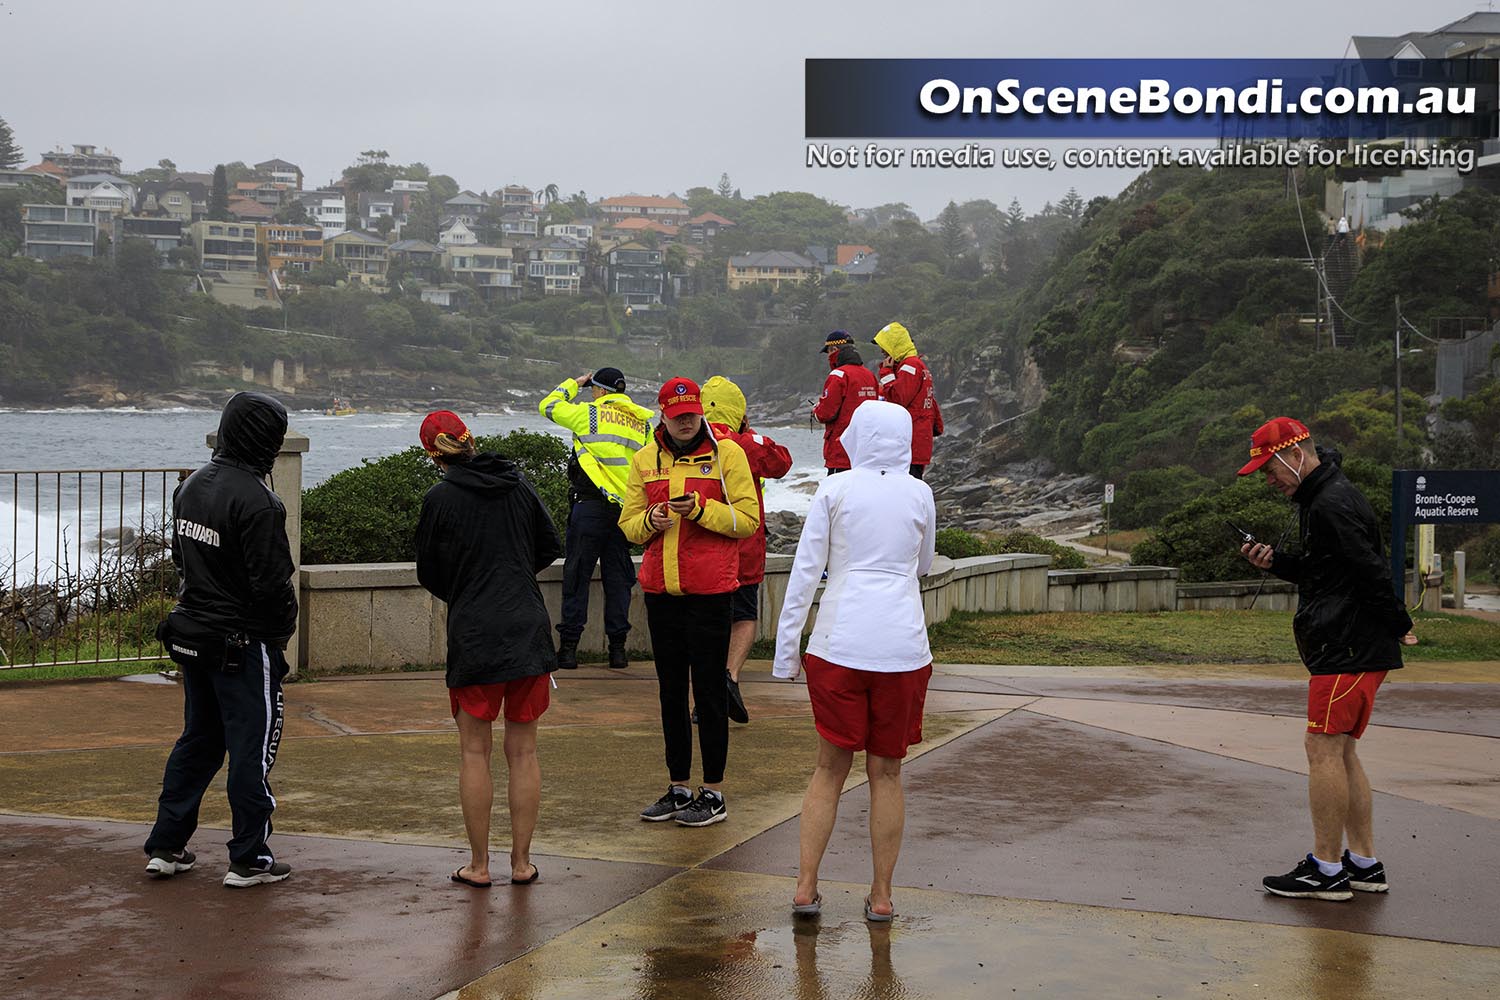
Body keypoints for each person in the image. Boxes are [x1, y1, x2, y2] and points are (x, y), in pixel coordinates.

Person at [773, 400, 937, 921]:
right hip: (902, 647)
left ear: (858, 437)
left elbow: (804, 573)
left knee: (828, 769)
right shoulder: (920, 492)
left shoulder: (834, 488)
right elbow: (925, 562)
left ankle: (805, 887)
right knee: (886, 772)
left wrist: (785, 654)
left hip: (838, 643)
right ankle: (882, 896)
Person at [1237, 416, 1412, 901]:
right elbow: (1328, 572)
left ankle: (1327, 869)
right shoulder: (1328, 496)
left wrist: (1399, 623)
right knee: (1342, 750)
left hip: (1346, 646)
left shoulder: (1330, 503)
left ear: (1295, 456)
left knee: (1322, 750)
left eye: (1269, 470)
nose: (1268, 481)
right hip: (1352, 643)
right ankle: (1363, 862)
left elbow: (1369, 569)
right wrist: (1278, 563)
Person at [144, 391, 299, 888]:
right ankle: (249, 857)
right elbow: (273, 585)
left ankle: (167, 845)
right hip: (244, 645)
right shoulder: (260, 501)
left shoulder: (191, 487)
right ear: (263, 440)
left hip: (195, 635)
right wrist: (278, 643)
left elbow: (181, 560)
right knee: (250, 750)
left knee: (198, 741)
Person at [415, 411, 561, 888]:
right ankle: (522, 864)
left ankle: (479, 866)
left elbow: (429, 573)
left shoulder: (439, 498)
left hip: (475, 630)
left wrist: (467, 590)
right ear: (470, 440)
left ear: (431, 453)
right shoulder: (517, 483)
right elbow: (548, 546)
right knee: (524, 752)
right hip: (527, 625)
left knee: (474, 752)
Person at [619, 377, 760, 827]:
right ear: (662, 414)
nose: (686, 422)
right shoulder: (645, 459)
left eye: (692, 415)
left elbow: (748, 521)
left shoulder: (726, 455)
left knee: (711, 692)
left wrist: (701, 509)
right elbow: (627, 525)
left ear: (701, 412)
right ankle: (678, 786)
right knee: (669, 691)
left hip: (711, 593)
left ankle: (713, 793)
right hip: (662, 593)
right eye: (677, 416)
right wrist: (651, 519)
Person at [540, 367, 653, 670]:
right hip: (625, 511)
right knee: (619, 579)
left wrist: (574, 383)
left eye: (592, 388)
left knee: (577, 575)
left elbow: (547, 405)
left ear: (600, 390)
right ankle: (618, 650)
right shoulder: (642, 423)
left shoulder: (588, 413)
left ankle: (568, 651)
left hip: (588, 506)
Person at [702, 375, 794, 724]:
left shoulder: (688, 440)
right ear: (738, 412)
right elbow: (782, 463)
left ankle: (707, 691)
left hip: (701, 548)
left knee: (706, 620)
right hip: (744, 546)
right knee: (743, 615)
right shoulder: (747, 443)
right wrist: (750, 433)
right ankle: (730, 676)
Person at [871, 321, 944, 478]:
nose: (882, 351)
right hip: (917, 440)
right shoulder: (918, 365)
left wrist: (886, 372)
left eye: (885, 346)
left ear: (895, 346)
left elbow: (898, 399)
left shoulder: (909, 366)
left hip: (910, 442)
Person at [812, 330, 879, 476]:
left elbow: (826, 413)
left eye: (828, 352)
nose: (828, 357)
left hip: (840, 450)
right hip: (865, 450)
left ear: (834, 350)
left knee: (839, 496)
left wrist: (815, 412)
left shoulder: (838, 375)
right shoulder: (869, 375)